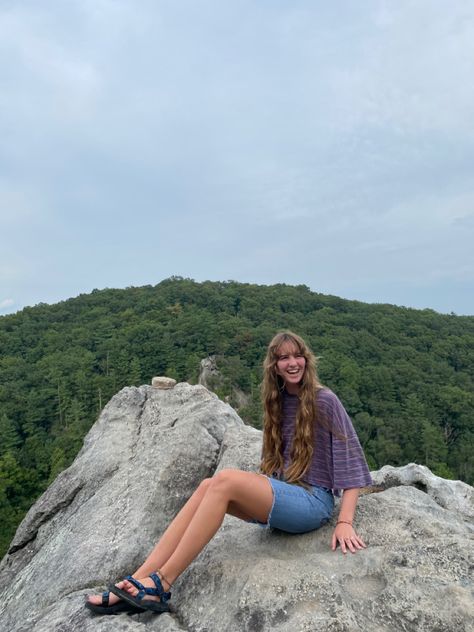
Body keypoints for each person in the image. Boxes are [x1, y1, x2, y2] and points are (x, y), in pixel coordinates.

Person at [86, 331, 372, 615]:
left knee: (224, 481)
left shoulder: (325, 400)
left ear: (307, 360)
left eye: (298, 356)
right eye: (284, 358)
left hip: (313, 502)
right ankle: (138, 579)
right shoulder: (278, 401)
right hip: (288, 495)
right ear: (274, 366)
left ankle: (162, 583)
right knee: (207, 486)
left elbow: (352, 463)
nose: (292, 363)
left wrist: (344, 521)